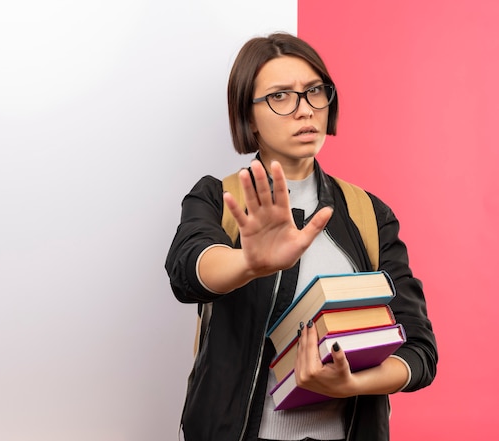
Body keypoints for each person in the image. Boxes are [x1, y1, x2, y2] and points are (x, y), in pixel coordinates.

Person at [165, 32, 437, 441]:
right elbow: (186, 271)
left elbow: (418, 349)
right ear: (248, 115)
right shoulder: (218, 198)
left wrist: (353, 385)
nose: (304, 110)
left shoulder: (369, 214)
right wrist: (248, 262)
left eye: (314, 92)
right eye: (280, 96)